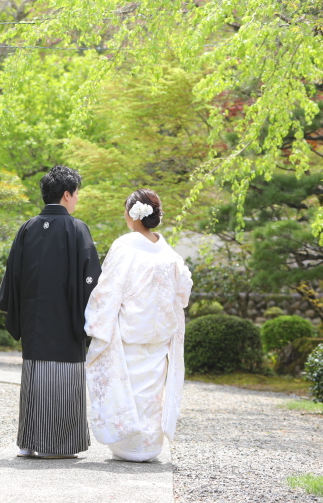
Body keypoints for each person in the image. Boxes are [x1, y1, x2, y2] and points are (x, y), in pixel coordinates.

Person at [0, 165, 102, 459]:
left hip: (32, 324)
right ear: (66, 194)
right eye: (77, 193)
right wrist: (93, 316)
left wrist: (17, 309)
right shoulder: (77, 229)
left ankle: (29, 443)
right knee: (63, 380)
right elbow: (91, 280)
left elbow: (12, 278)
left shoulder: (27, 228)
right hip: (67, 324)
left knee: (35, 378)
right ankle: (56, 446)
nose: (77, 199)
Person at [84, 189, 193, 462]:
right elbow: (183, 292)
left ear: (132, 214)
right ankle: (149, 446)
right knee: (152, 392)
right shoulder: (168, 252)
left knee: (129, 389)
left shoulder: (125, 245)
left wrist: (96, 325)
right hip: (159, 336)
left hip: (131, 332)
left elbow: (108, 290)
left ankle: (129, 446)